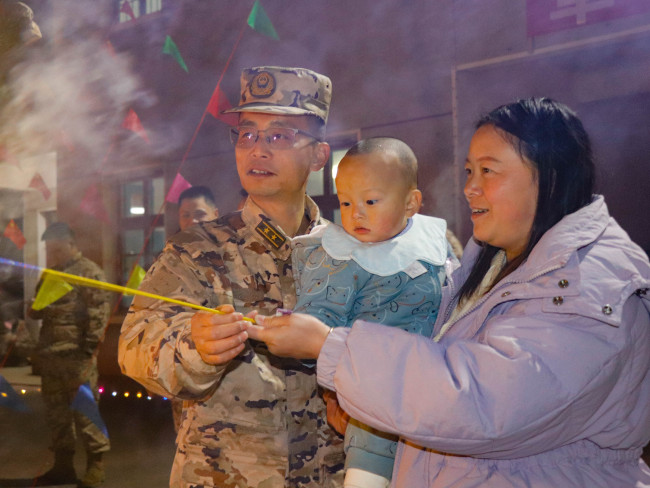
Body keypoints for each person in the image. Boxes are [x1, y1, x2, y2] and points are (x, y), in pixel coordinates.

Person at [246, 97, 650, 486]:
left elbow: (479, 403)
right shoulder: (499, 264)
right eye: (469, 172)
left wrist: (332, 348)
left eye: (489, 172)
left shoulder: (585, 285)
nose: (471, 188)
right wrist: (363, 396)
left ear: (550, 177)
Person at [118, 66, 345, 487]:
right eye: (247, 134)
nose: (257, 150)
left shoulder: (348, 254)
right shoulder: (196, 251)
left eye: (279, 136)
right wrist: (193, 345)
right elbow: (134, 347)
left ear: (318, 154)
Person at [291, 137, 454, 488]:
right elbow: (317, 324)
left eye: (370, 201)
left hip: (436, 402)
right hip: (373, 406)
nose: (356, 213)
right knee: (367, 476)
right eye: (346, 202)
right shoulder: (339, 255)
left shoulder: (434, 243)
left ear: (411, 203)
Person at [29, 222, 111, 488]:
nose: (51, 254)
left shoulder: (88, 273)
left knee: (86, 414)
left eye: (55, 248)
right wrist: (33, 309)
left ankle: (96, 467)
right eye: (48, 249)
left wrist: (88, 354)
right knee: (57, 415)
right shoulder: (50, 274)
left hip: (78, 359)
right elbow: (40, 308)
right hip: (51, 357)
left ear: (70, 244)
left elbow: (99, 316)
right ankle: (63, 466)